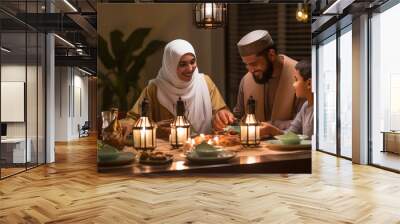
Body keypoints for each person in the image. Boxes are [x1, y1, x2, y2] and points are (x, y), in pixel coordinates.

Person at [121, 39, 234, 138]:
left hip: (204, 149)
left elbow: (221, 111)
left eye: (192, 62)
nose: (190, 68)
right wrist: (155, 129)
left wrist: (222, 116)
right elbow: (133, 119)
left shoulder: (205, 82)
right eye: (183, 64)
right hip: (167, 154)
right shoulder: (154, 89)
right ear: (170, 65)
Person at [216, 30, 304, 131]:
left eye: (254, 64)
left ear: (271, 55)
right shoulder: (246, 80)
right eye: (246, 64)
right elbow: (239, 119)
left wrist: (272, 125)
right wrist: (226, 119)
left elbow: (304, 123)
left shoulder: (300, 77)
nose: (250, 70)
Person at [260, 60, 313, 138]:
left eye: (296, 80)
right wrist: (271, 130)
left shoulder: (320, 110)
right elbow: (291, 135)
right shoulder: (305, 106)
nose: (293, 84)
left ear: (309, 83)